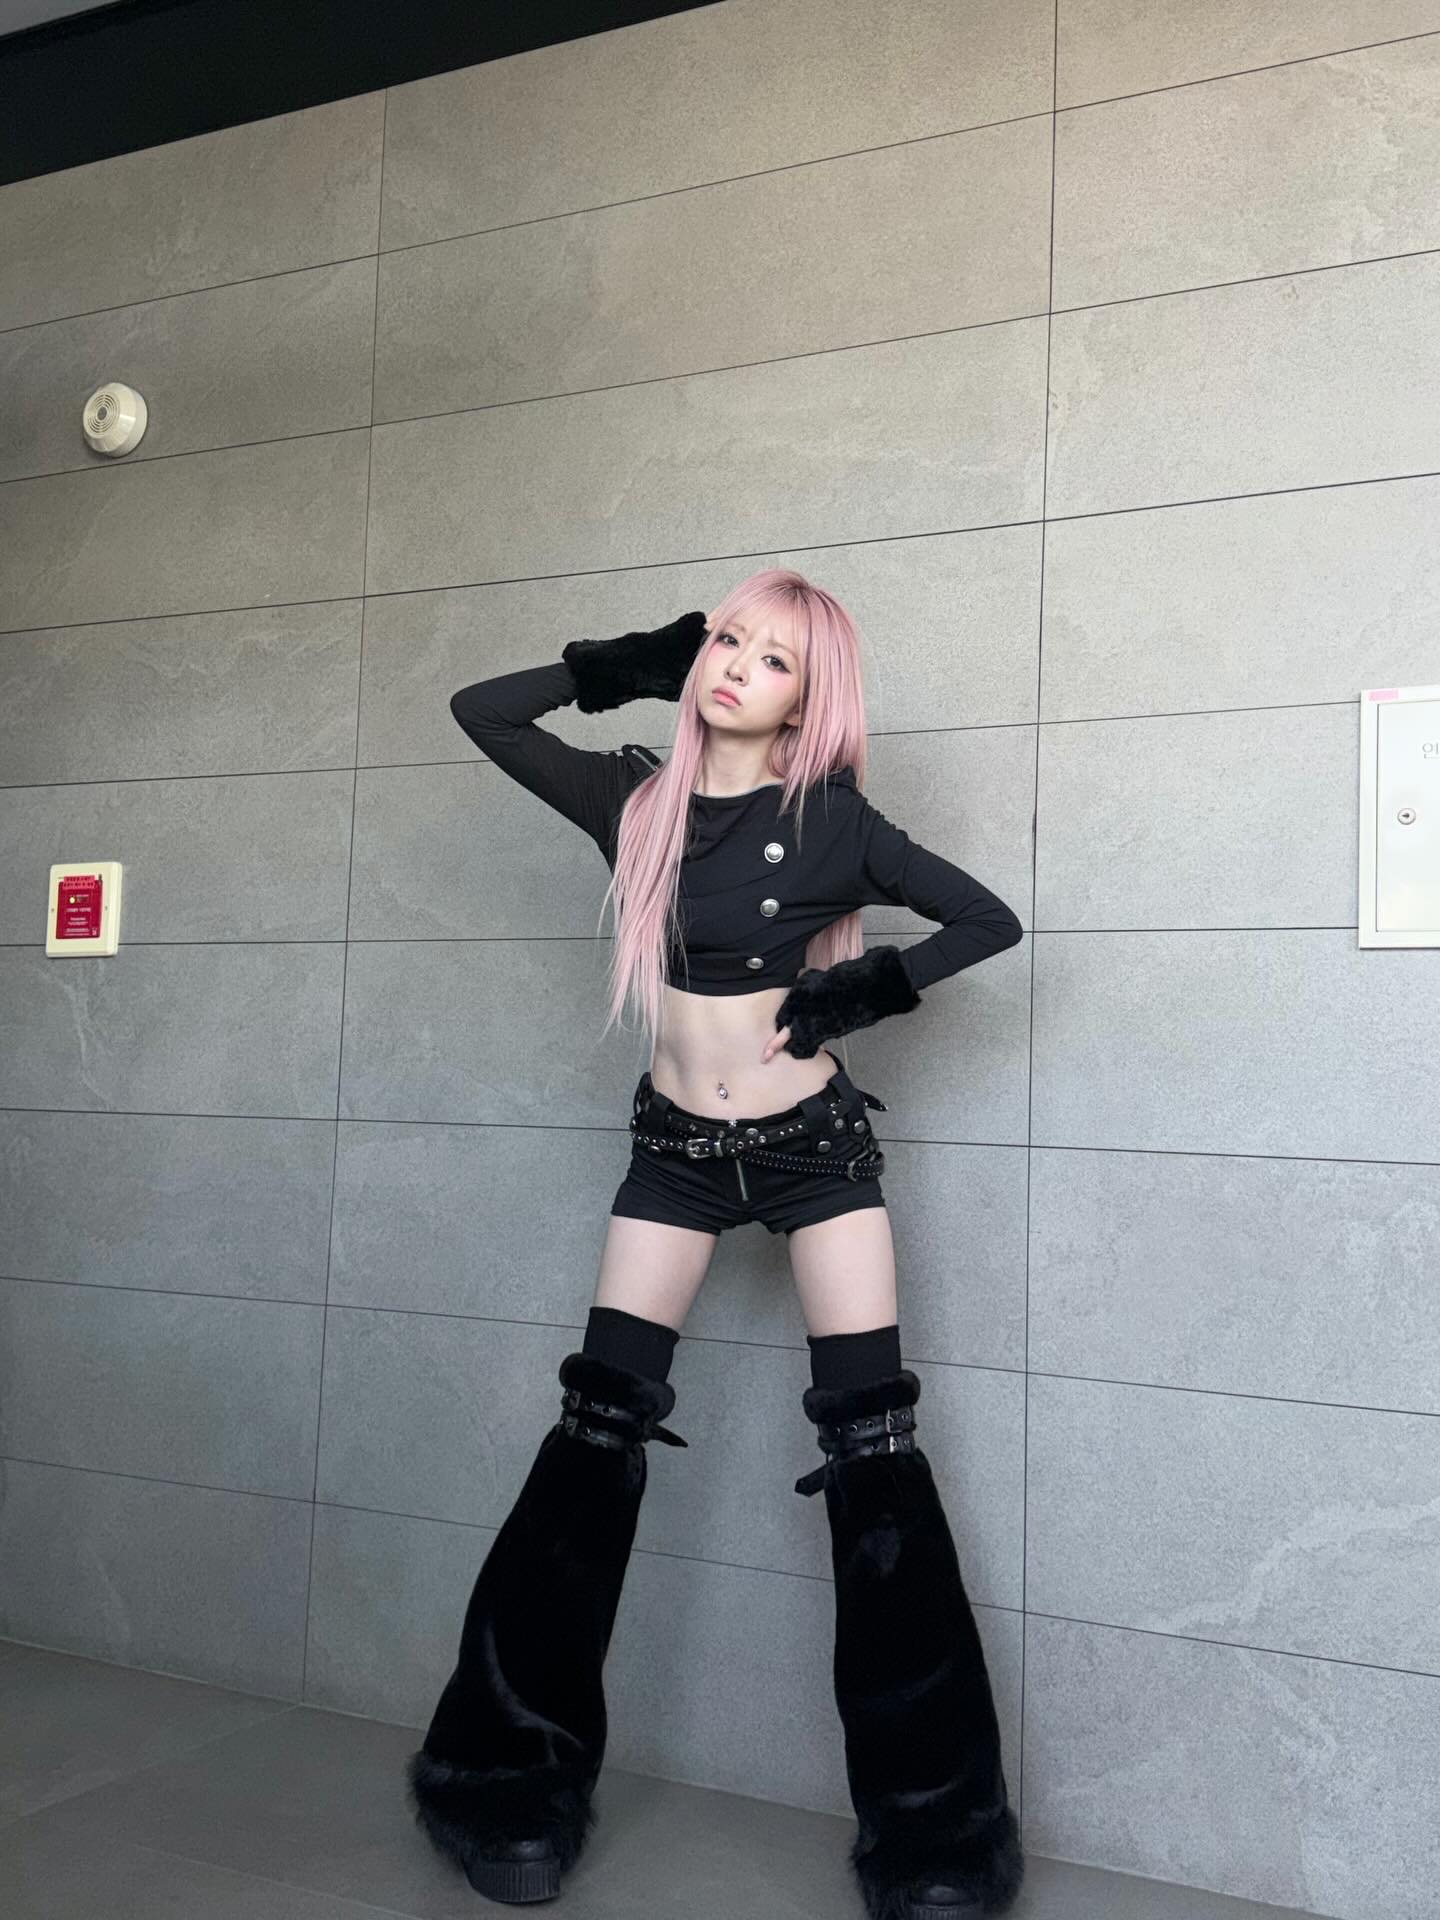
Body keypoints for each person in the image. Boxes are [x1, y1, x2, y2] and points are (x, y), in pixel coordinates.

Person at [404, 567, 1026, 1918]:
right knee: (594, 1437)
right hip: (674, 1158)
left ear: (811, 701)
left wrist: (861, 990)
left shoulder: (833, 822)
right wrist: (622, 663)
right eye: (727, 640)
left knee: (876, 1454)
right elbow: (482, 711)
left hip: (816, 1155)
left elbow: (990, 920)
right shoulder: (634, 805)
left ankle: (937, 1836)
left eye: (774, 658)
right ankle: (507, 1784)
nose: (738, 665)